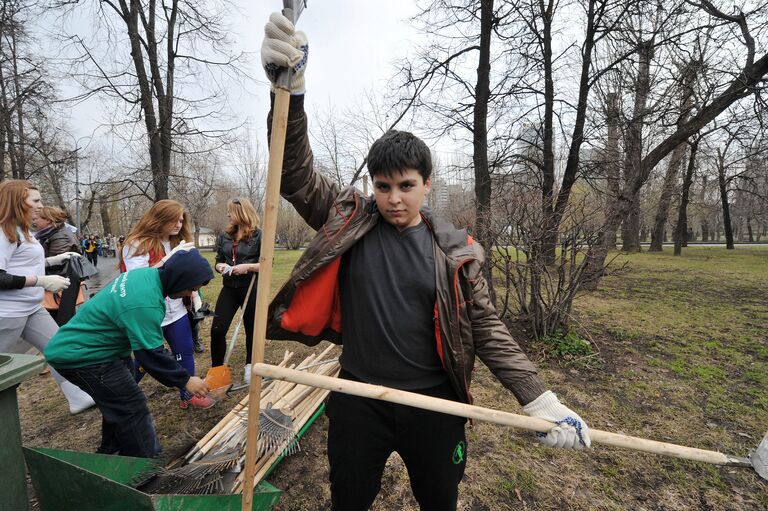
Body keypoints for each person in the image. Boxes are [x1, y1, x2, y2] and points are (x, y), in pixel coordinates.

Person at [260, 14, 591, 511]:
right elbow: (294, 174)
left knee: (440, 500)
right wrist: (290, 93)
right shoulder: (349, 219)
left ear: (427, 184)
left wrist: (539, 398)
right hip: (357, 399)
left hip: (434, 405)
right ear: (373, 184)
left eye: (406, 186)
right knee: (348, 500)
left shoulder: (456, 252)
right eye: (384, 186)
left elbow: (485, 326)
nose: (394, 199)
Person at [45, 249, 214, 458]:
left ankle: (111, 451)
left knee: (118, 399)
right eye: (190, 289)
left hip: (101, 348)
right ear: (179, 280)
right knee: (132, 406)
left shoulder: (146, 276)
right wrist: (186, 380)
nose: (190, 294)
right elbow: (150, 355)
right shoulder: (145, 302)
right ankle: (146, 467)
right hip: (82, 355)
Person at [0, 180, 95, 414]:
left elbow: (21, 264)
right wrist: (41, 281)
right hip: (7, 315)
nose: (40, 206)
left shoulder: (24, 231)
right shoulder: (3, 233)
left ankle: (77, 397)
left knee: (58, 349)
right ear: (17, 202)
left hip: (32, 309)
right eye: (35, 200)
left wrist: (53, 262)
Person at [118, 199, 214, 409]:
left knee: (185, 350)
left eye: (181, 220)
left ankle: (188, 395)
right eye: (173, 220)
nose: (178, 224)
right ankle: (121, 394)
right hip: (149, 314)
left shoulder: (179, 241)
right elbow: (139, 280)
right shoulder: (136, 244)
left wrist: (196, 298)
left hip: (177, 310)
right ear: (158, 219)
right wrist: (171, 257)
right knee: (147, 358)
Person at [210, 198, 261, 383]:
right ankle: (217, 373)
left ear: (241, 213)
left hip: (250, 288)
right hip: (229, 288)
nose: (228, 215)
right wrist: (220, 267)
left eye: (230, 211)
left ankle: (250, 367)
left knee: (252, 330)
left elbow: (266, 264)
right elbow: (217, 260)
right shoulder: (225, 236)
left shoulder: (258, 235)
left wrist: (247, 267)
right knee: (217, 330)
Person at [34, 206, 85, 325]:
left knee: (60, 323)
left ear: (48, 220)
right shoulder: (53, 233)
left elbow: (57, 266)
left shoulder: (60, 236)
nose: (34, 221)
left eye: (37, 219)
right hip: (58, 288)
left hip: (57, 289)